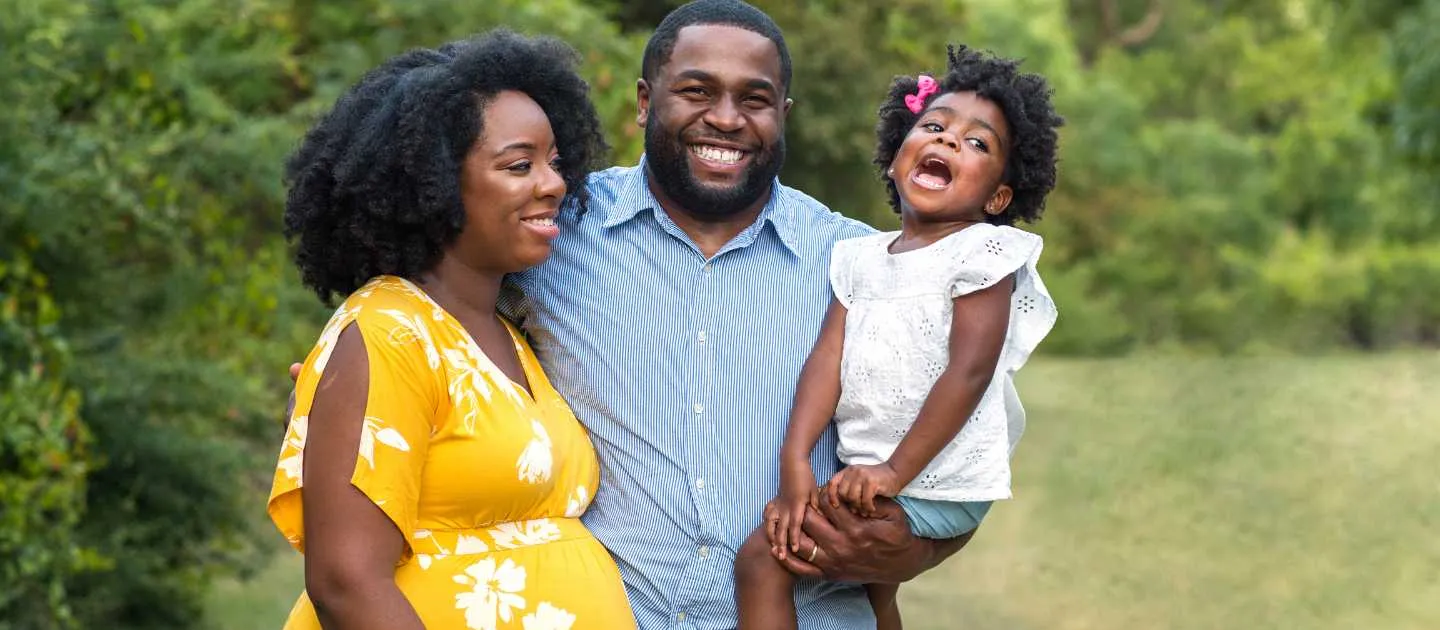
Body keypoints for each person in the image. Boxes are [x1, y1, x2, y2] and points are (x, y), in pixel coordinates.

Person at [500, 1, 981, 627]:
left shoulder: (861, 264)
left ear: (782, 116)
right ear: (646, 102)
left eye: (753, 100)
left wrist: (912, 552)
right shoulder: (555, 236)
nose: (725, 119)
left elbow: (964, 451)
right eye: (697, 91)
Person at [267, 30, 635, 629]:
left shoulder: (508, 332)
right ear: (433, 182)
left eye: (555, 162)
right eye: (520, 165)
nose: (554, 184)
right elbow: (346, 581)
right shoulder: (389, 331)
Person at [733, 45, 1064, 629]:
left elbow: (969, 372)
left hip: (941, 475)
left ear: (998, 198)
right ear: (894, 157)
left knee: (764, 558)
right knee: (874, 593)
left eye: (978, 143)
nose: (948, 141)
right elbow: (825, 362)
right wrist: (794, 458)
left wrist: (893, 473)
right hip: (873, 469)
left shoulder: (983, 253)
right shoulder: (859, 257)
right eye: (933, 126)